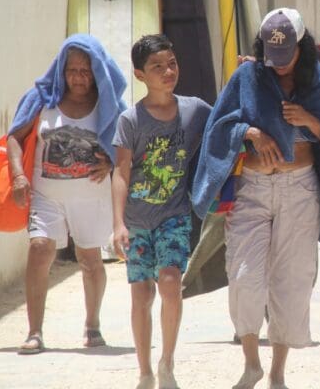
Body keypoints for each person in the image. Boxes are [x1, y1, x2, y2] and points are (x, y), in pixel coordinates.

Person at [191, 8, 320, 389]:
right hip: (253, 188)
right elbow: (219, 124)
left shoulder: (318, 79)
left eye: (287, 56)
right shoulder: (247, 75)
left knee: (291, 281)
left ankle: (277, 373)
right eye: (271, 56)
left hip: (300, 190)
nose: (279, 66)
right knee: (244, 277)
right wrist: (250, 133)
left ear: (302, 46)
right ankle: (251, 363)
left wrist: (310, 121)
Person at [6, 34, 126, 354]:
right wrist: (18, 176)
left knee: (89, 258)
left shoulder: (109, 104)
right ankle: (35, 332)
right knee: (40, 248)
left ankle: (93, 325)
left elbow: (128, 142)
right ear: (62, 70)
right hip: (47, 193)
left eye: (86, 70)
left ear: (97, 71)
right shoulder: (41, 100)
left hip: (92, 194)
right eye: (72, 70)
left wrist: (111, 161)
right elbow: (14, 138)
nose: (78, 77)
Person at [111, 35, 212, 389]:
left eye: (172, 63)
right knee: (142, 295)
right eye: (158, 66)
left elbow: (224, 127)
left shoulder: (195, 110)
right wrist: (118, 223)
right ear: (140, 74)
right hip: (137, 223)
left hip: (175, 215)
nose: (168, 71)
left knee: (170, 284)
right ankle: (144, 371)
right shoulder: (130, 120)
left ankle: (167, 362)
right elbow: (121, 172)